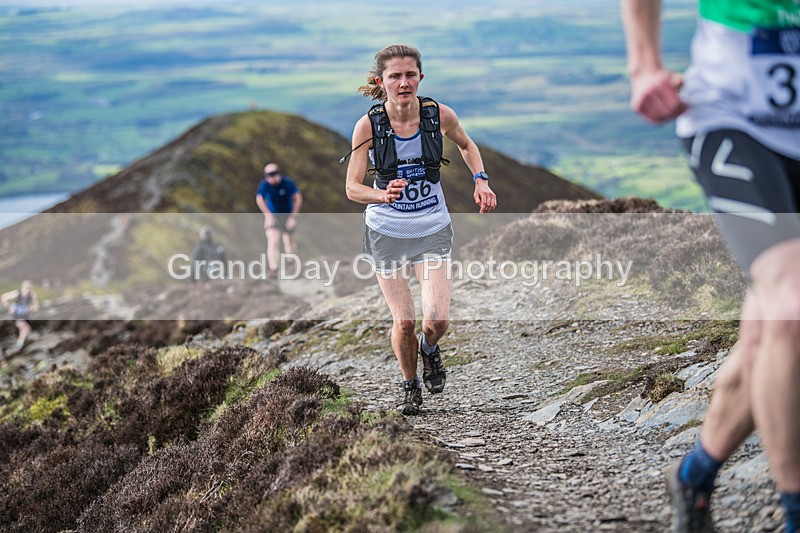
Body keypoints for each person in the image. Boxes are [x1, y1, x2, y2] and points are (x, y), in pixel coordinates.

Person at [622, 1, 800, 531]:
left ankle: (695, 473)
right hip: (733, 116)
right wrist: (644, 63)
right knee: (790, 307)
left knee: (766, 339)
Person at [344, 44, 497, 415]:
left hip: (432, 229)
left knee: (438, 320)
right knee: (405, 320)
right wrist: (381, 195)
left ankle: (431, 351)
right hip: (386, 233)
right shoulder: (369, 126)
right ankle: (410, 384)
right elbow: (352, 187)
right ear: (381, 82)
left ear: (420, 78)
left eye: (410, 74)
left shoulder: (438, 115)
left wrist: (481, 179)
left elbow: (467, 144)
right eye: (395, 76)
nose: (403, 82)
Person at [256, 163, 303, 280]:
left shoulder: (288, 183)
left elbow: (297, 198)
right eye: (269, 175)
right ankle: (274, 269)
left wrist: (293, 217)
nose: (272, 178)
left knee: (289, 240)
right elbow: (259, 199)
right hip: (274, 217)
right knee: (273, 241)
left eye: (274, 174)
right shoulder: (264, 185)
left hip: (287, 216)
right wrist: (267, 215)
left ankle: (291, 261)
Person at [1, 280, 40, 353]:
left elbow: (36, 308)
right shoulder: (17, 293)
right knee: (26, 328)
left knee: (25, 331)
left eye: (29, 288)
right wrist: (9, 307)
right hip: (17, 316)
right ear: (22, 287)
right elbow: (3, 297)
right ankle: (19, 346)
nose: (27, 290)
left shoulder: (31, 295)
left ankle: (20, 346)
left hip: (25, 316)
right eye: (26, 288)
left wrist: (31, 306)